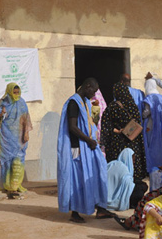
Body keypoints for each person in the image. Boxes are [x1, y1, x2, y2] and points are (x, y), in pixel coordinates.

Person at [57, 78, 113, 222]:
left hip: (89, 145)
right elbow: (72, 127)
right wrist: (88, 140)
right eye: (93, 91)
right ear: (87, 87)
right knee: (78, 180)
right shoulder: (73, 103)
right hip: (78, 147)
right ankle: (75, 212)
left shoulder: (85, 102)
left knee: (98, 173)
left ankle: (100, 208)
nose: (94, 95)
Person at [0, 83, 32, 198]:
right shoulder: (3, 102)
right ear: (9, 91)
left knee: (18, 162)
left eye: (18, 92)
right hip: (6, 138)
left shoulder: (22, 103)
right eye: (14, 92)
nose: (16, 95)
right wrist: (0, 114)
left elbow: (26, 119)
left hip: (19, 138)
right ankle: (8, 186)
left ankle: (15, 185)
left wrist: (26, 133)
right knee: (7, 162)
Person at [100, 82, 147, 180]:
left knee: (119, 172)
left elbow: (105, 126)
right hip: (133, 142)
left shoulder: (113, 107)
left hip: (118, 145)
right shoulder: (134, 106)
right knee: (132, 168)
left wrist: (117, 131)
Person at [141, 79, 162, 174]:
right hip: (161, 125)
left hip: (151, 126)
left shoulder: (149, 98)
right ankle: (161, 165)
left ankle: (152, 166)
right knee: (160, 145)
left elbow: (147, 112)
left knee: (151, 145)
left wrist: (142, 115)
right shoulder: (161, 97)